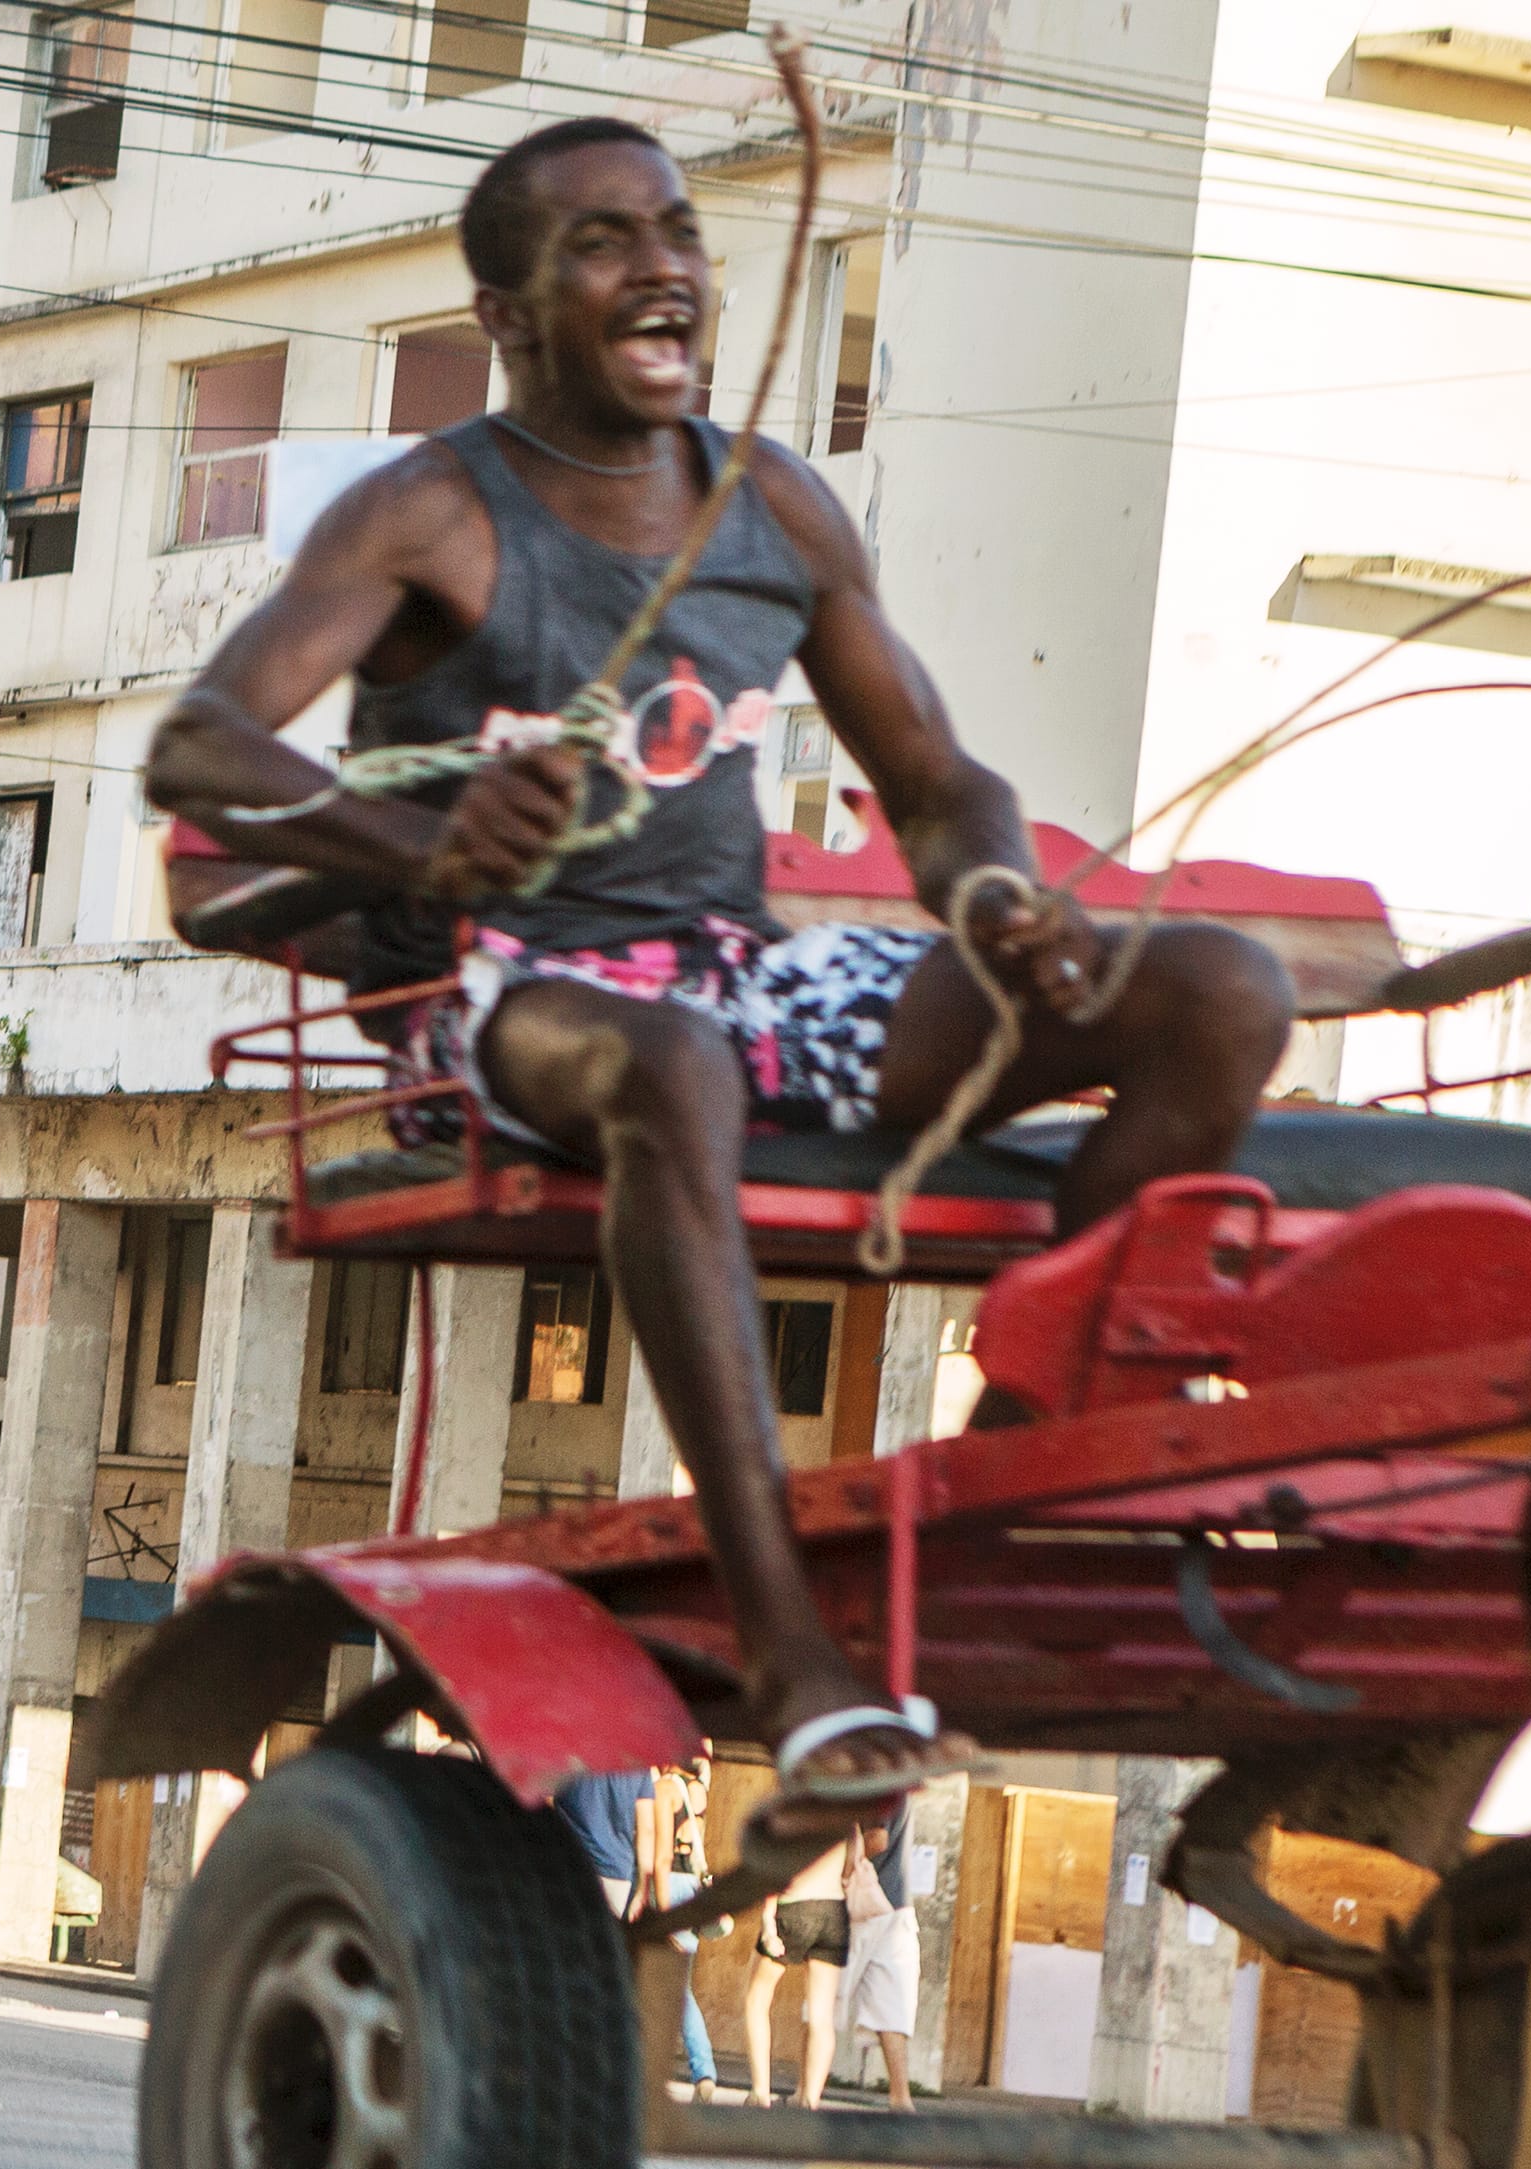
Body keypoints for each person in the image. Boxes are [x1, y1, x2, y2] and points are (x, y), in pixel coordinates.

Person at [144, 116, 1293, 1834]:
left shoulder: (771, 505)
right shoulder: (433, 510)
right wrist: (427, 853)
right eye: (605, 241)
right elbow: (199, 750)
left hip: (743, 973)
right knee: (670, 1065)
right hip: (497, 994)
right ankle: (790, 1658)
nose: (664, 265)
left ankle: (1007, 1471)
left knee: (1218, 988)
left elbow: (937, 784)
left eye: (676, 231)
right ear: (510, 306)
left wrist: (993, 897)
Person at [741, 1824, 854, 2107]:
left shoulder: (797, 1812)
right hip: (834, 1911)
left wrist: (768, 1922)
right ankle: (810, 2101)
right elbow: (852, 1864)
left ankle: (761, 2092)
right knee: (821, 2015)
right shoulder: (849, 1816)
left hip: (795, 1906)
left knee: (756, 1998)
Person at [652, 1750, 723, 2101]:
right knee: (679, 1987)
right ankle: (703, 2072)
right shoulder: (698, 1790)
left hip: (672, 1887)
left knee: (672, 1988)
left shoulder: (666, 1788)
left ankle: (702, 2069)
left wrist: (662, 1916)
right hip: (693, 1889)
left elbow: (663, 1854)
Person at [843, 1802, 924, 2111]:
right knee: (891, 2007)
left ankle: (805, 2093)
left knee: (825, 1997)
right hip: (898, 1905)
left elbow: (877, 1838)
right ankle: (900, 2096)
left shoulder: (884, 1783)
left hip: (867, 1905)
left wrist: (840, 1867)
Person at [549, 1764, 656, 1922]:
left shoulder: (572, 1749)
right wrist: (643, 1887)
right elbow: (647, 1829)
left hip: (571, 1862)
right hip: (618, 1872)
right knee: (601, 1940)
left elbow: (543, 1801)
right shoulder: (640, 1764)